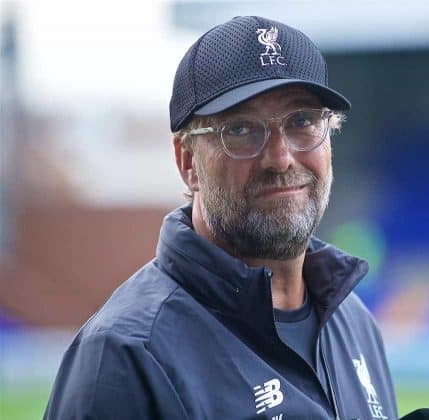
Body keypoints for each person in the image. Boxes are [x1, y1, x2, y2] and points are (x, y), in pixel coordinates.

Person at [44, 16, 398, 420]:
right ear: (188, 162)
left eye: (302, 121)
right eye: (241, 129)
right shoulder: (126, 356)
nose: (280, 159)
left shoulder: (354, 325)